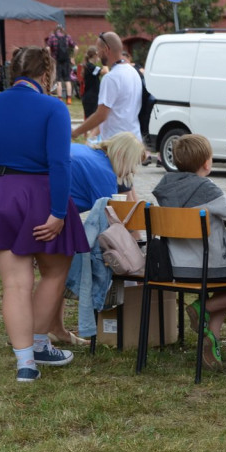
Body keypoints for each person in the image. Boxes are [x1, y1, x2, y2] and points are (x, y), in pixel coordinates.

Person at [0, 46, 89, 383]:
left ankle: (26, 364)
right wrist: (58, 211)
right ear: (46, 74)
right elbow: (60, 162)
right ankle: (39, 342)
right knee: (55, 271)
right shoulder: (54, 108)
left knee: (15, 283)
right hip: (42, 195)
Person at [152, 134, 226, 369]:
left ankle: (211, 339)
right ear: (207, 163)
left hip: (176, 267)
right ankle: (202, 308)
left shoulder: (166, 188)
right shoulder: (206, 188)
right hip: (209, 266)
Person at [49, 132, 145, 347]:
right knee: (55, 275)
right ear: (121, 155)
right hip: (52, 213)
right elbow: (111, 223)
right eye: (132, 164)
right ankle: (38, 331)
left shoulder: (90, 152)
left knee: (55, 273)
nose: (131, 172)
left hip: (48, 206)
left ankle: (55, 328)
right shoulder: (103, 172)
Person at [72, 32, 142, 142]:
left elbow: (101, 115)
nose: (98, 55)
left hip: (116, 144)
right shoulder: (133, 72)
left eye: (98, 50)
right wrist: (91, 137)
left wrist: (75, 133)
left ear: (106, 49)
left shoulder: (111, 78)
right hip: (134, 140)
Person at [46, 25, 76, 104]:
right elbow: (76, 48)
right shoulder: (67, 37)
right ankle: (69, 99)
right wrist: (73, 57)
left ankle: (60, 98)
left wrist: (50, 57)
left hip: (56, 61)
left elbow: (48, 48)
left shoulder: (52, 37)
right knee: (67, 79)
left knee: (58, 80)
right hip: (66, 61)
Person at [80, 47, 105, 143]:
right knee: (93, 120)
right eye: (98, 55)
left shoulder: (90, 66)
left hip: (91, 96)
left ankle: (90, 138)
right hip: (91, 97)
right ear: (95, 55)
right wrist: (104, 63)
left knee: (91, 119)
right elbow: (104, 71)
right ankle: (90, 140)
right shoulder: (91, 67)